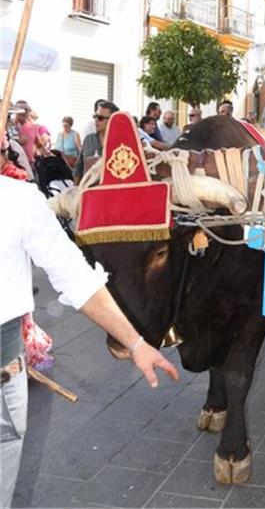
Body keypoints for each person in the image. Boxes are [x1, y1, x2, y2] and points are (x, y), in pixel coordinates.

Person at [0, 176, 179, 508]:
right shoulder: (18, 198)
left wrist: (136, 343)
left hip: (7, 372)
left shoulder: (19, 198)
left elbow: (74, 274)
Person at [73, 101, 119, 182]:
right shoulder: (88, 140)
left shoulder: (120, 144)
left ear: (112, 120)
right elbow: (79, 168)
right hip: (88, 190)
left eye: (100, 118)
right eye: (95, 116)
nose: (96, 120)